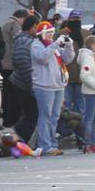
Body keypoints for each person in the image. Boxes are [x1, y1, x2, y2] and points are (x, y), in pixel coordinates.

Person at [30, 20, 75, 156]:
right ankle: (45, 145)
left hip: (58, 85)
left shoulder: (53, 46)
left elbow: (67, 59)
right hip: (44, 86)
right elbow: (43, 57)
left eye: (51, 33)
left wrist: (69, 46)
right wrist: (55, 44)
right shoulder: (36, 45)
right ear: (41, 34)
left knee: (55, 116)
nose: (50, 36)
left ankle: (52, 143)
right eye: (48, 33)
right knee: (45, 116)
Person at [9, 15, 40, 143]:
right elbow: (23, 63)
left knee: (32, 114)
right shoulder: (24, 41)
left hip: (26, 82)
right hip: (24, 83)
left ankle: (21, 138)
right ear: (32, 27)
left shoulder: (29, 40)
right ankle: (18, 136)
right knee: (31, 114)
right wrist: (32, 84)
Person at [0, 8, 29, 128]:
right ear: (22, 18)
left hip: (4, 63)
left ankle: (7, 119)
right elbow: (18, 41)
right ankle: (12, 120)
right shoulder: (15, 25)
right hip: (11, 64)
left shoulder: (5, 23)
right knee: (13, 95)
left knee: (6, 93)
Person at [77, 35, 95, 153]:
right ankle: (88, 143)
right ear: (92, 45)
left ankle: (94, 142)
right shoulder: (88, 58)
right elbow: (84, 75)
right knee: (89, 118)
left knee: (92, 119)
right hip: (91, 92)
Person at [61, 10, 85, 117]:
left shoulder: (84, 33)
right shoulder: (62, 35)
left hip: (81, 75)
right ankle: (66, 130)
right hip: (67, 75)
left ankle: (80, 129)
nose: (77, 21)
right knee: (67, 105)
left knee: (81, 106)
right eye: (74, 19)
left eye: (78, 19)